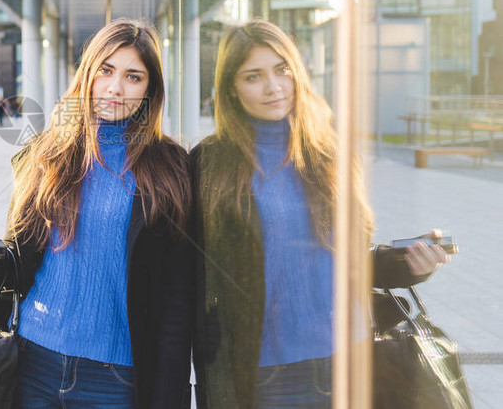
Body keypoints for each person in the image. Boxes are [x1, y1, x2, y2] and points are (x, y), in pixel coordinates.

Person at [190, 20, 450, 409]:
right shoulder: (210, 163)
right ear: (231, 88)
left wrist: (411, 265)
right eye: (253, 76)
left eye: (282, 70)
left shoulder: (331, 154)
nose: (273, 87)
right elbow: (198, 276)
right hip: (268, 374)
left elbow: (348, 262)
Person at [0, 19, 193, 408]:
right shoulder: (46, 154)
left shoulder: (170, 167)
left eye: (133, 76)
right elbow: (22, 259)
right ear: (88, 75)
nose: (115, 87)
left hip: (116, 377)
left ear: (150, 89)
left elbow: (176, 300)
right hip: (34, 360)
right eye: (106, 70)